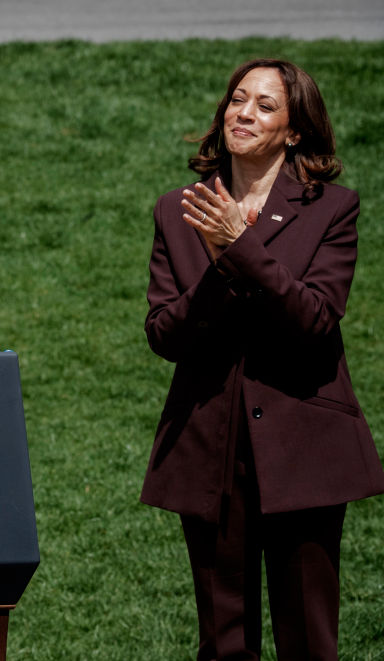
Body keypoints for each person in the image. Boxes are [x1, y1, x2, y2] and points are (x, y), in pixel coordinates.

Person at [141, 58, 384, 659]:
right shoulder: (179, 210)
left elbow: (313, 319)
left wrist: (240, 247)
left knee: (308, 639)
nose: (244, 113)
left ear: (295, 129)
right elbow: (165, 334)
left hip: (305, 449)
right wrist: (223, 266)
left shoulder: (332, 208)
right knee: (224, 643)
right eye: (237, 100)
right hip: (209, 450)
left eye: (266, 105)